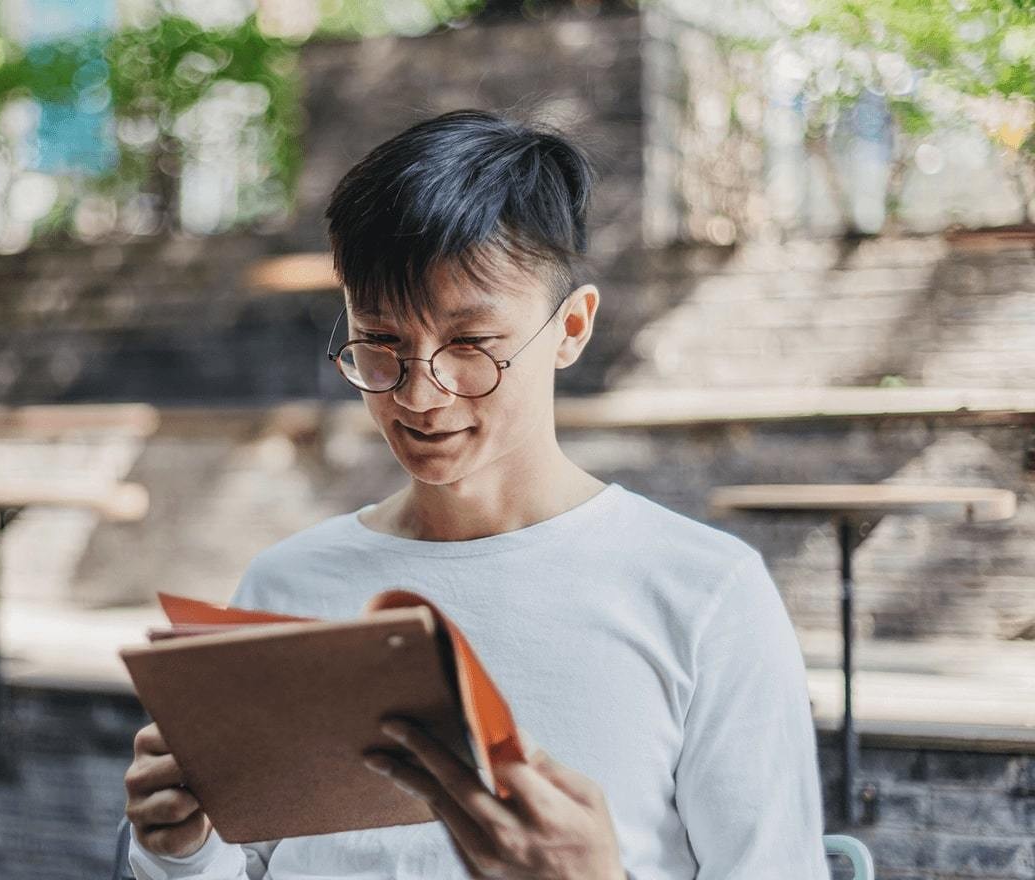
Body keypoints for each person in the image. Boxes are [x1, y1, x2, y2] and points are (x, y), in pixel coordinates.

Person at [121, 108, 830, 879]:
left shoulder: (703, 593)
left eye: (470, 345)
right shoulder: (287, 585)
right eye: (381, 342)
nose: (421, 394)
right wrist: (181, 850)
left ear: (571, 328)